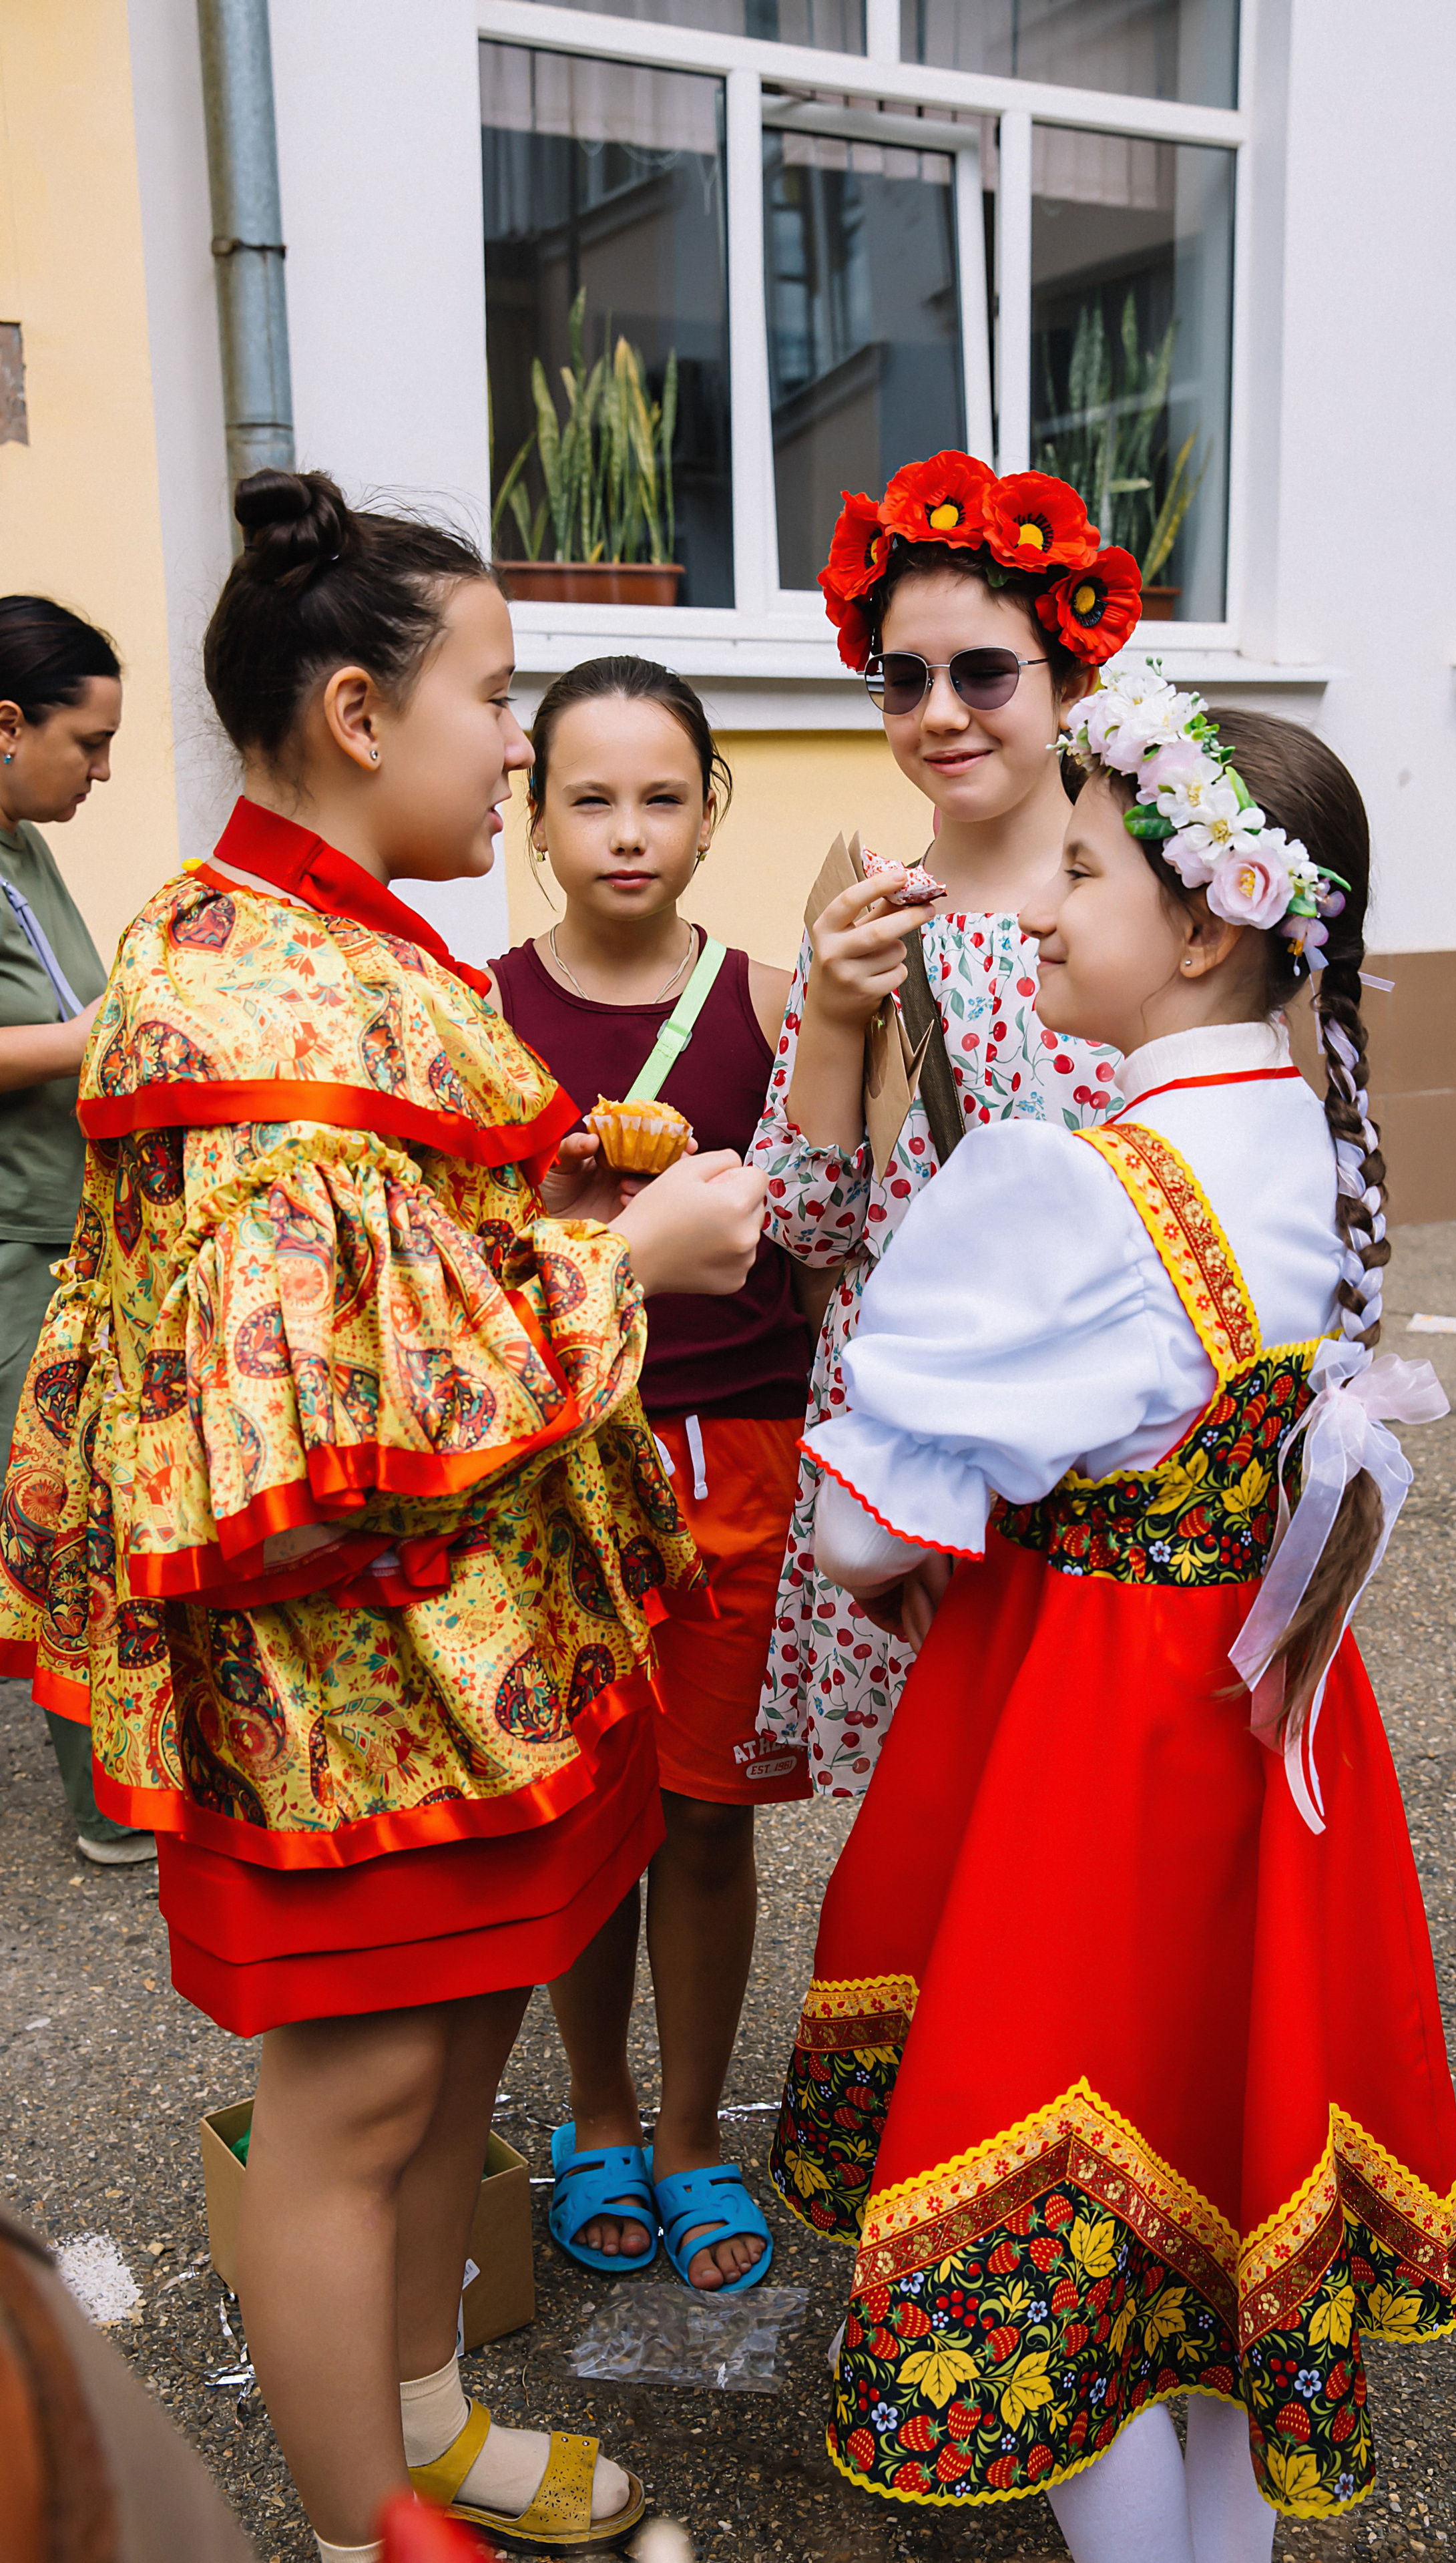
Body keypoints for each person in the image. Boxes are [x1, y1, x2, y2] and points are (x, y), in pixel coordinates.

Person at [0, 468, 766, 2563]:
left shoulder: (324, 937)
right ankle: (362, 2527)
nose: (517, 742)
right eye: (495, 690)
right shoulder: (267, 1000)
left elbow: (413, 1247)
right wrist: (636, 1260)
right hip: (356, 1689)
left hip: (457, 1666)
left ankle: (426, 2410)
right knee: (354, 2108)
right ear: (358, 712)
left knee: (455, 2066)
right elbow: (319, 1399)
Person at [768, 686, 1456, 2556]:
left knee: (1062, 2174)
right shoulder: (1305, 1152)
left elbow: (855, 1535)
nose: (1042, 904)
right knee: (1219, 2162)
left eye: (1080, 867)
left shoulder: (1066, 1187)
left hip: (1077, 1736)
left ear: (1207, 924)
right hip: (1257, 1728)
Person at [488, 657, 814, 2295]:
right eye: (589, 796)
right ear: (532, 813)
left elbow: (827, 1243)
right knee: (585, 1813)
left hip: (738, 1457)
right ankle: (595, 2113)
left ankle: (691, 2130)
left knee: (701, 1818)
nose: (628, 830)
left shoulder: (773, 1008)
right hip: (560, 1467)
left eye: (663, 796)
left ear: (708, 810)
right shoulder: (472, 1014)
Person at [748, 451, 1142, 1795]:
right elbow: (802, 1220)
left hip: (1099, 1448)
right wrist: (838, 1013)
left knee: (1085, 1821)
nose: (939, 713)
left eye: (983, 672)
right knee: (931, 1828)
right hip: (908, 1446)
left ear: (1069, 680)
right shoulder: (862, 918)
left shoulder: (1138, 909)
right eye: (902, 677)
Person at [0, 594, 152, 1867]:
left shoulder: (23, 842)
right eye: (87, 744)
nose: (101, 771)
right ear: (8, 725)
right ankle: (109, 1800)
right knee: (58, 1524)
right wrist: (133, 1031)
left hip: (62, 1228)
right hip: (11, 1243)